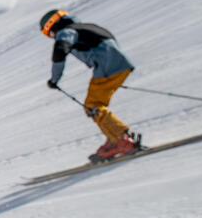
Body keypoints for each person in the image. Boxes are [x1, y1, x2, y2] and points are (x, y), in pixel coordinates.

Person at [40, 9, 142, 162]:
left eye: (49, 33)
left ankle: (122, 140)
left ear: (52, 26)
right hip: (121, 65)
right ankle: (114, 137)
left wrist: (55, 79)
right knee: (95, 104)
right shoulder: (88, 27)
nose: (52, 37)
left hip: (108, 67)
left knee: (93, 106)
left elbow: (60, 50)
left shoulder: (66, 31)